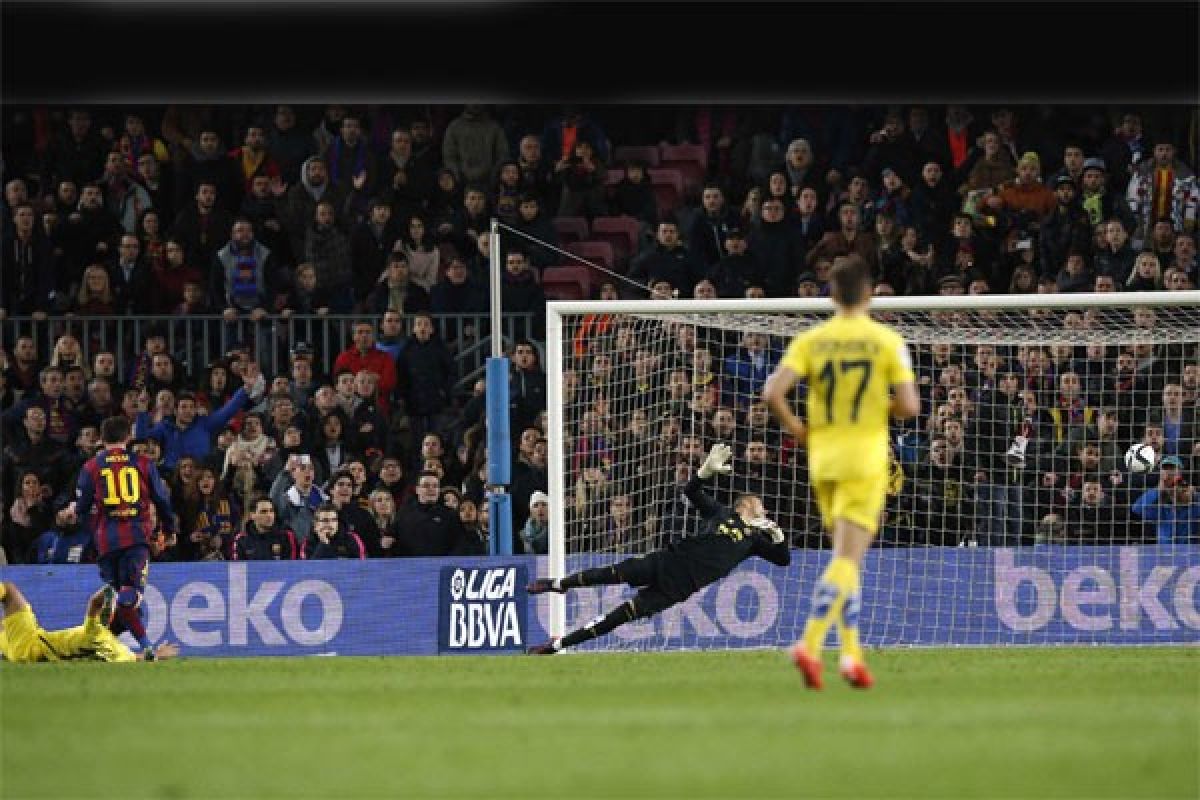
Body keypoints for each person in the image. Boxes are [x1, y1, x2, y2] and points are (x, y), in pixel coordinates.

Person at [762, 254, 920, 689]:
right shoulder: (886, 341)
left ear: (831, 294)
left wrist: (797, 428)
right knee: (849, 560)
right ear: (869, 293)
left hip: (823, 459)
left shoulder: (811, 341)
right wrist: (876, 408)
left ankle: (851, 654)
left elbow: (773, 391)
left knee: (843, 559)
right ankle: (809, 644)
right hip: (864, 459)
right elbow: (908, 407)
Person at [526, 443, 790, 654]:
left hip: (680, 588)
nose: (764, 511)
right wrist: (705, 472)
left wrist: (777, 535)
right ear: (745, 505)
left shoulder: (754, 541)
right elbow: (691, 492)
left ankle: (559, 644)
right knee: (611, 573)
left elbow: (783, 560)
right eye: (760, 506)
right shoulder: (721, 513)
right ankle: (560, 583)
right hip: (667, 561)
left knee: (620, 616)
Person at [62, 416, 177, 660]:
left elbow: (81, 508)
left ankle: (100, 644)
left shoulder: (91, 467)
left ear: (102, 439)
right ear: (128, 437)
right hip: (135, 539)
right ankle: (147, 649)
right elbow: (161, 499)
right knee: (129, 599)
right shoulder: (143, 464)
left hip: (105, 542)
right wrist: (169, 527)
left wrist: (95, 528)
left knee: (125, 602)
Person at [0, 581, 178, 663]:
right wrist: (158, 654)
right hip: (24, 656)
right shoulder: (118, 650)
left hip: (30, 643)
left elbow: (94, 602)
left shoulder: (97, 631)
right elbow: (136, 658)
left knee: (9, 590)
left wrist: (116, 588)